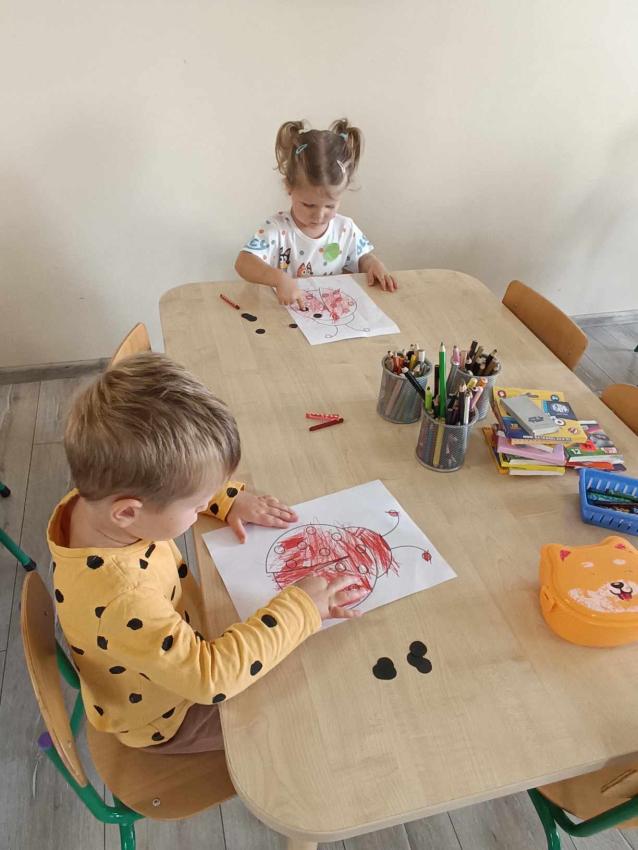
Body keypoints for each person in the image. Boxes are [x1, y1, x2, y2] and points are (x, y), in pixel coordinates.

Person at [47, 353, 361, 753]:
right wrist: (302, 609)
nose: (202, 508)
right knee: (307, 719)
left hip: (172, 644)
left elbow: (168, 485)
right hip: (170, 715)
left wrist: (225, 499)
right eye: (197, 505)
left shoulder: (97, 501)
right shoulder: (122, 599)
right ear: (127, 512)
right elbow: (211, 678)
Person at [235, 118, 398, 309]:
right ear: (289, 187)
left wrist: (374, 265)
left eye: (330, 206)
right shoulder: (278, 229)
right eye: (308, 205)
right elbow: (243, 263)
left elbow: (362, 258)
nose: (319, 216)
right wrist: (279, 279)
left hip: (330, 312)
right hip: (285, 314)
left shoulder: (345, 229)